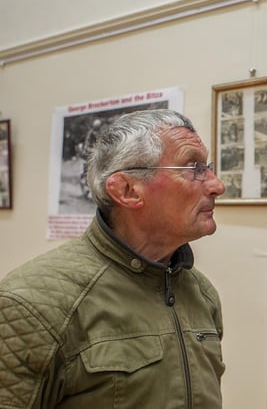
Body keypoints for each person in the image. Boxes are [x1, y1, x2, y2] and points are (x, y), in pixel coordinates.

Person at [0, 109, 227, 407]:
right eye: (193, 168)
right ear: (127, 190)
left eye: (207, 167)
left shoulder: (201, 292)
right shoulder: (32, 304)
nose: (217, 185)